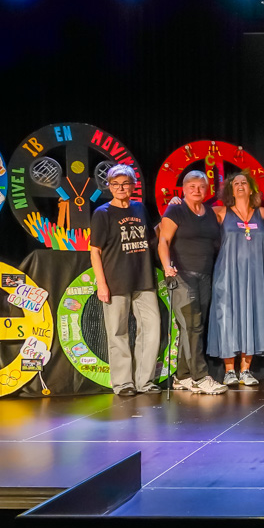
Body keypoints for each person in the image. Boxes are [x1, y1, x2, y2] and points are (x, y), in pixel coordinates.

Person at [90, 164, 160, 396]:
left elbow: (152, 237)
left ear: (133, 186)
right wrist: (101, 283)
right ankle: (123, 383)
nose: (120, 188)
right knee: (118, 333)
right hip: (116, 281)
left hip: (144, 279)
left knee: (151, 330)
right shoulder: (102, 213)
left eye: (125, 183)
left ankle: (145, 381)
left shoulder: (140, 208)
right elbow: (95, 251)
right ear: (109, 186)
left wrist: (173, 209)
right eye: (115, 184)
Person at [157, 169, 227, 395]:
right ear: (184, 189)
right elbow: (163, 241)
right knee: (192, 325)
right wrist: (167, 266)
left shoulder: (209, 212)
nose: (197, 191)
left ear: (207, 190)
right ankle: (200, 376)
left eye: (201, 187)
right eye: (192, 187)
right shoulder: (176, 210)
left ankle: (182, 376)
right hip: (182, 276)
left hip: (205, 276)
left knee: (195, 328)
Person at [207, 170, 264, 386]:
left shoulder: (262, 213)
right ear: (230, 190)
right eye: (236, 183)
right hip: (227, 275)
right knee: (227, 319)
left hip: (254, 276)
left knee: (251, 317)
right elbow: (194, 215)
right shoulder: (221, 212)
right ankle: (228, 371)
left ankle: (245, 370)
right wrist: (177, 203)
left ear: (251, 188)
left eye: (244, 182)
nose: (240, 185)